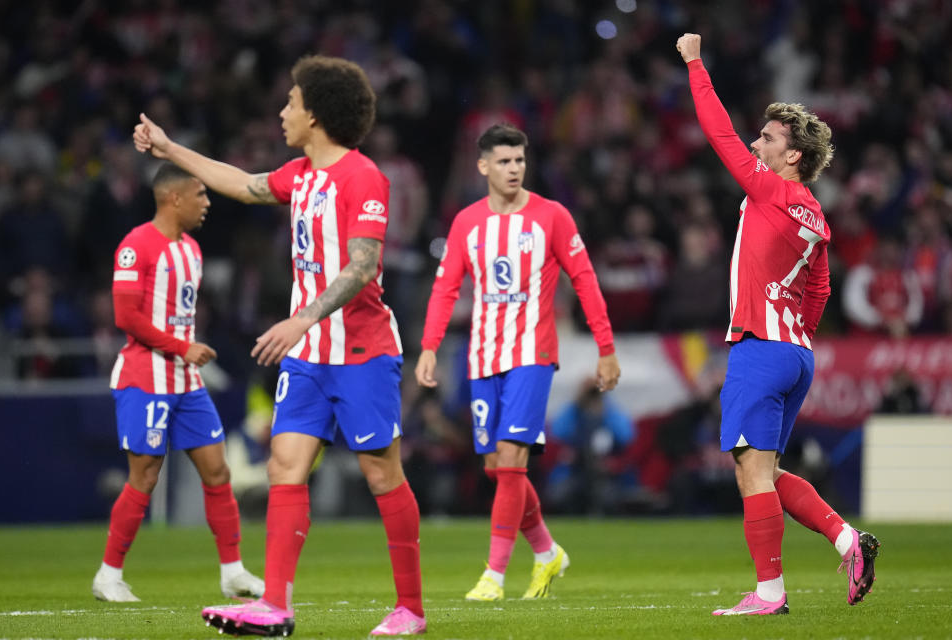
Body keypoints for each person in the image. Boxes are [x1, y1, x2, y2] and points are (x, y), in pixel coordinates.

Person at [132, 55, 424, 637]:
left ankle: (411, 610)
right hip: (310, 355)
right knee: (284, 466)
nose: (283, 111)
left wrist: (303, 317)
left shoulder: (364, 177)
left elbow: (363, 266)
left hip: (363, 350)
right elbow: (241, 183)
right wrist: (170, 150)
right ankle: (274, 604)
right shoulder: (301, 174)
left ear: (314, 114)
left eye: (291, 102)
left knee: (382, 474)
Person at [675, 33, 879, 616]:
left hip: (761, 348)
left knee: (751, 472)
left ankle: (769, 593)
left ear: (792, 155)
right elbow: (819, 286)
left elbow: (717, 134)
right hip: (796, 353)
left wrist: (695, 64)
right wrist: (801, 334)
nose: (755, 143)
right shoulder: (813, 211)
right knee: (765, 467)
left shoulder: (770, 190)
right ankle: (847, 541)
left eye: (767, 137)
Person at [415, 123, 620, 601]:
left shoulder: (552, 217)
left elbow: (585, 281)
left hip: (533, 355)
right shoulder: (467, 222)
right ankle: (548, 552)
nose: (513, 169)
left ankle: (494, 574)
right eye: (503, 161)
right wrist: (429, 346)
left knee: (510, 462)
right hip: (483, 356)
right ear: (483, 166)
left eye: (519, 161)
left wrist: (605, 348)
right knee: (496, 469)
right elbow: (446, 287)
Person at [92, 163, 264, 603]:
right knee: (145, 477)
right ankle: (109, 575)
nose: (208, 203)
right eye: (201, 195)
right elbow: (125, 317)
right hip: (144, 377)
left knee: (218, 470)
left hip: (186, 381)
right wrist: (181, 347)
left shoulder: (191, 250)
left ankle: (233, 572)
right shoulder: (135, 245)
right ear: (174, 198)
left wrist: (186, 352)